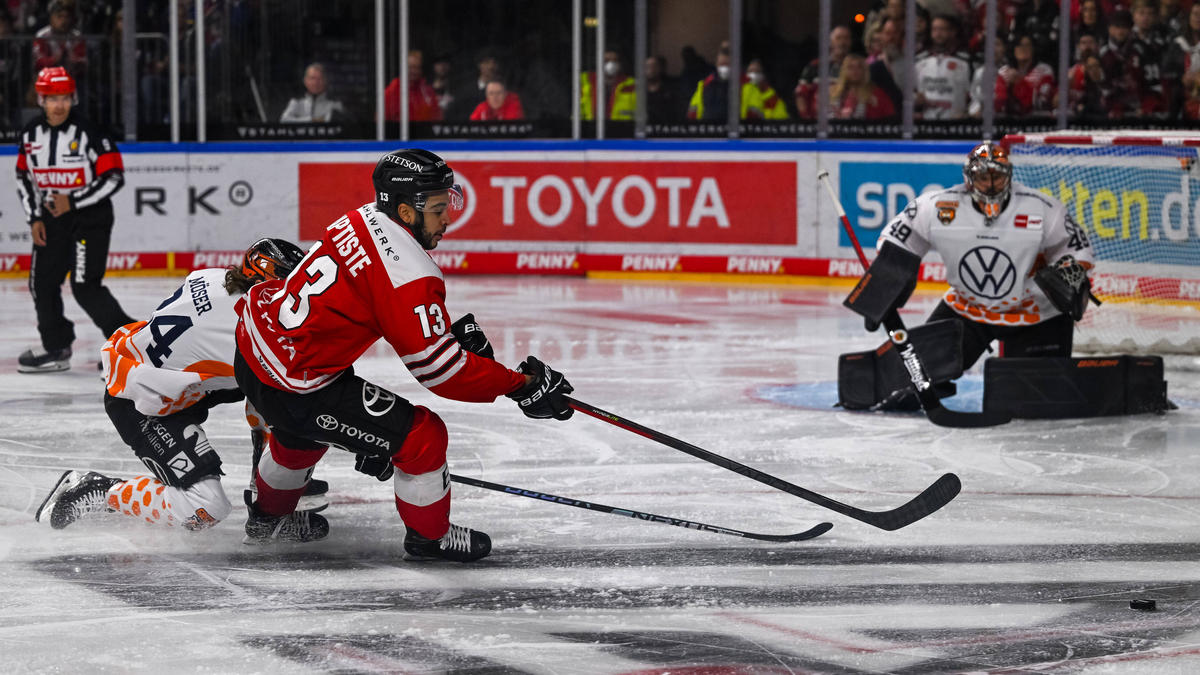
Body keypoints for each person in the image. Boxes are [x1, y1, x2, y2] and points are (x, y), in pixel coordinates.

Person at [232, 149, 575, 558]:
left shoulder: (361, 216)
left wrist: (442, 334)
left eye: (448, 204)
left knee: (298, 440)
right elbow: (440, 372)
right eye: (436, 208)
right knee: (422, 437)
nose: (447, 218)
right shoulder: (411, 272)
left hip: (254, 347)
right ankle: (431, 537)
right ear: (406, 211)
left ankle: (268, 519)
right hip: (297, 382)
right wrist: (522, 385)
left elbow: (372, 298)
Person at [34, 239, 330, 532]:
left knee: (270, 385)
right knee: (205, 508)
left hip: (147, 371)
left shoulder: (210, 276)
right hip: (140, 404)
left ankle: (264, 485)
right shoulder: (246, 331)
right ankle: (99, 490)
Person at [838, 142, 1096, 410]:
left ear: (1009, 175)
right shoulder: (938, 206)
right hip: (967, 309)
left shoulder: (1042, 208)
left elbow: (1078, 249)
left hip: (1034, 314)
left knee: (1035, 404)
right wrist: (886, 279)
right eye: (983, 177)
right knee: (909, 387)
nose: (992, 184)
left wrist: (1069, 274)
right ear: (968, 178)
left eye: (998, 176)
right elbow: (898, 237)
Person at [15, 66, 135, 373]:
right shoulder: (30, 135)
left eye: (65, 98)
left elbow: (114, 178)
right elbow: (24, 177)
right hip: (50, 220)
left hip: (89, 220)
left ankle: (132, 347)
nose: (59, 105)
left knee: (85, 286)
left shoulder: (90, 133)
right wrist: (33, 218)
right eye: (52, 98)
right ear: (40, 99)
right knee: (41, 282)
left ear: (73, 98)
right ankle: (56, 347)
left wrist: (73, 201)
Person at [914, 14, 973, 120]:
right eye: (934, 29)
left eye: (942, 29)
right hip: (926, 122)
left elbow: (974, 95)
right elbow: (911, 92)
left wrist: (968, 113)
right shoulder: (919, 60)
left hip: (956, 123)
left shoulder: (965, 61)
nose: (938, 34)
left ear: (952, 32)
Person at [795, 25, 852, 119]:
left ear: (850, 42)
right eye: (838, 38)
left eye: (846, 38)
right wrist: (806, 119)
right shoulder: (816, 66)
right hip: (819, 123)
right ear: (830, 42)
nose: (842, 42)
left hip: (849, 125)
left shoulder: (857, 67)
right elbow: (800, 94)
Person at [829, 52, 897, 119]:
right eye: (850, 67)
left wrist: (875, 107)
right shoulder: (832, 91)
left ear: (864, 70)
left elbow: (890, 116)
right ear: (843, 70)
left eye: (859, 67)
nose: (855, 71)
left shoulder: (875, 93)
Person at [384, 50, 442, 122]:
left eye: (417, 68)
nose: (414, 71)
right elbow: (380, 123)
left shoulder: (427, 92)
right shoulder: (391, 92)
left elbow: (438, 118)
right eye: (410, 67)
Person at [279, 62, 345, 123]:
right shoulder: (296, 102)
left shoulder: (335, 104)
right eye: (312, 78)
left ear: (325, 81)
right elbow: (284, 120)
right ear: (305, 81)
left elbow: (330, 121)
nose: (316, 83)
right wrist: (312, 120)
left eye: (320, 79)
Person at [581, 49, 636, 121]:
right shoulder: (586, 80)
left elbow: (637, 111)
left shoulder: (630, 84)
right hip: (589, 127)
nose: (611, 64)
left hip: (621, 127)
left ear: (620, 64)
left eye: (615, 60)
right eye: (606, 61)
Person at [686, 46, 732, 120]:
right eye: (721, 64)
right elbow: (692, 112)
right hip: (708, 128)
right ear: (716, 64)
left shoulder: (742, 86)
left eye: (727, 64)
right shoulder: (705, 85)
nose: (724, 67)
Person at [644, 55, 681, 123]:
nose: (651, 69)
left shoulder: (671, 90)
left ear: (660, 68)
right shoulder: (638, 91)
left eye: (654, 65)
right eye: (648, 66)